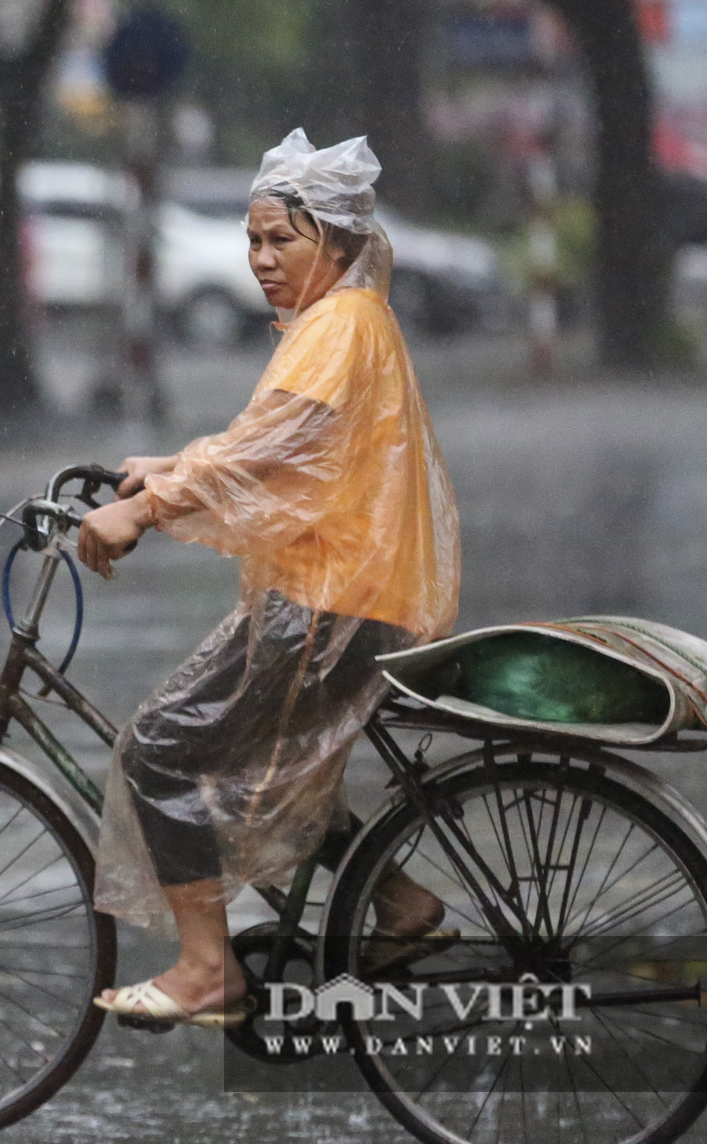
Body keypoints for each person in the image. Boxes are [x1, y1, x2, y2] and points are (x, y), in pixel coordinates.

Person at [77, 130, 461, 1027]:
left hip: (338, 602)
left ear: (332, 239)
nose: (260, 261)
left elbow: (271, 448)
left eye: (279, 240)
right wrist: (172, 466)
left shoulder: (340, 326)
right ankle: (400, 902)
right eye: (252, 242)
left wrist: (148, 507)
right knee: (265, 766)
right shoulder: (345, 323)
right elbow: (281, 451)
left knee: (164, 747)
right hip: (349, 594)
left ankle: (208, 970)